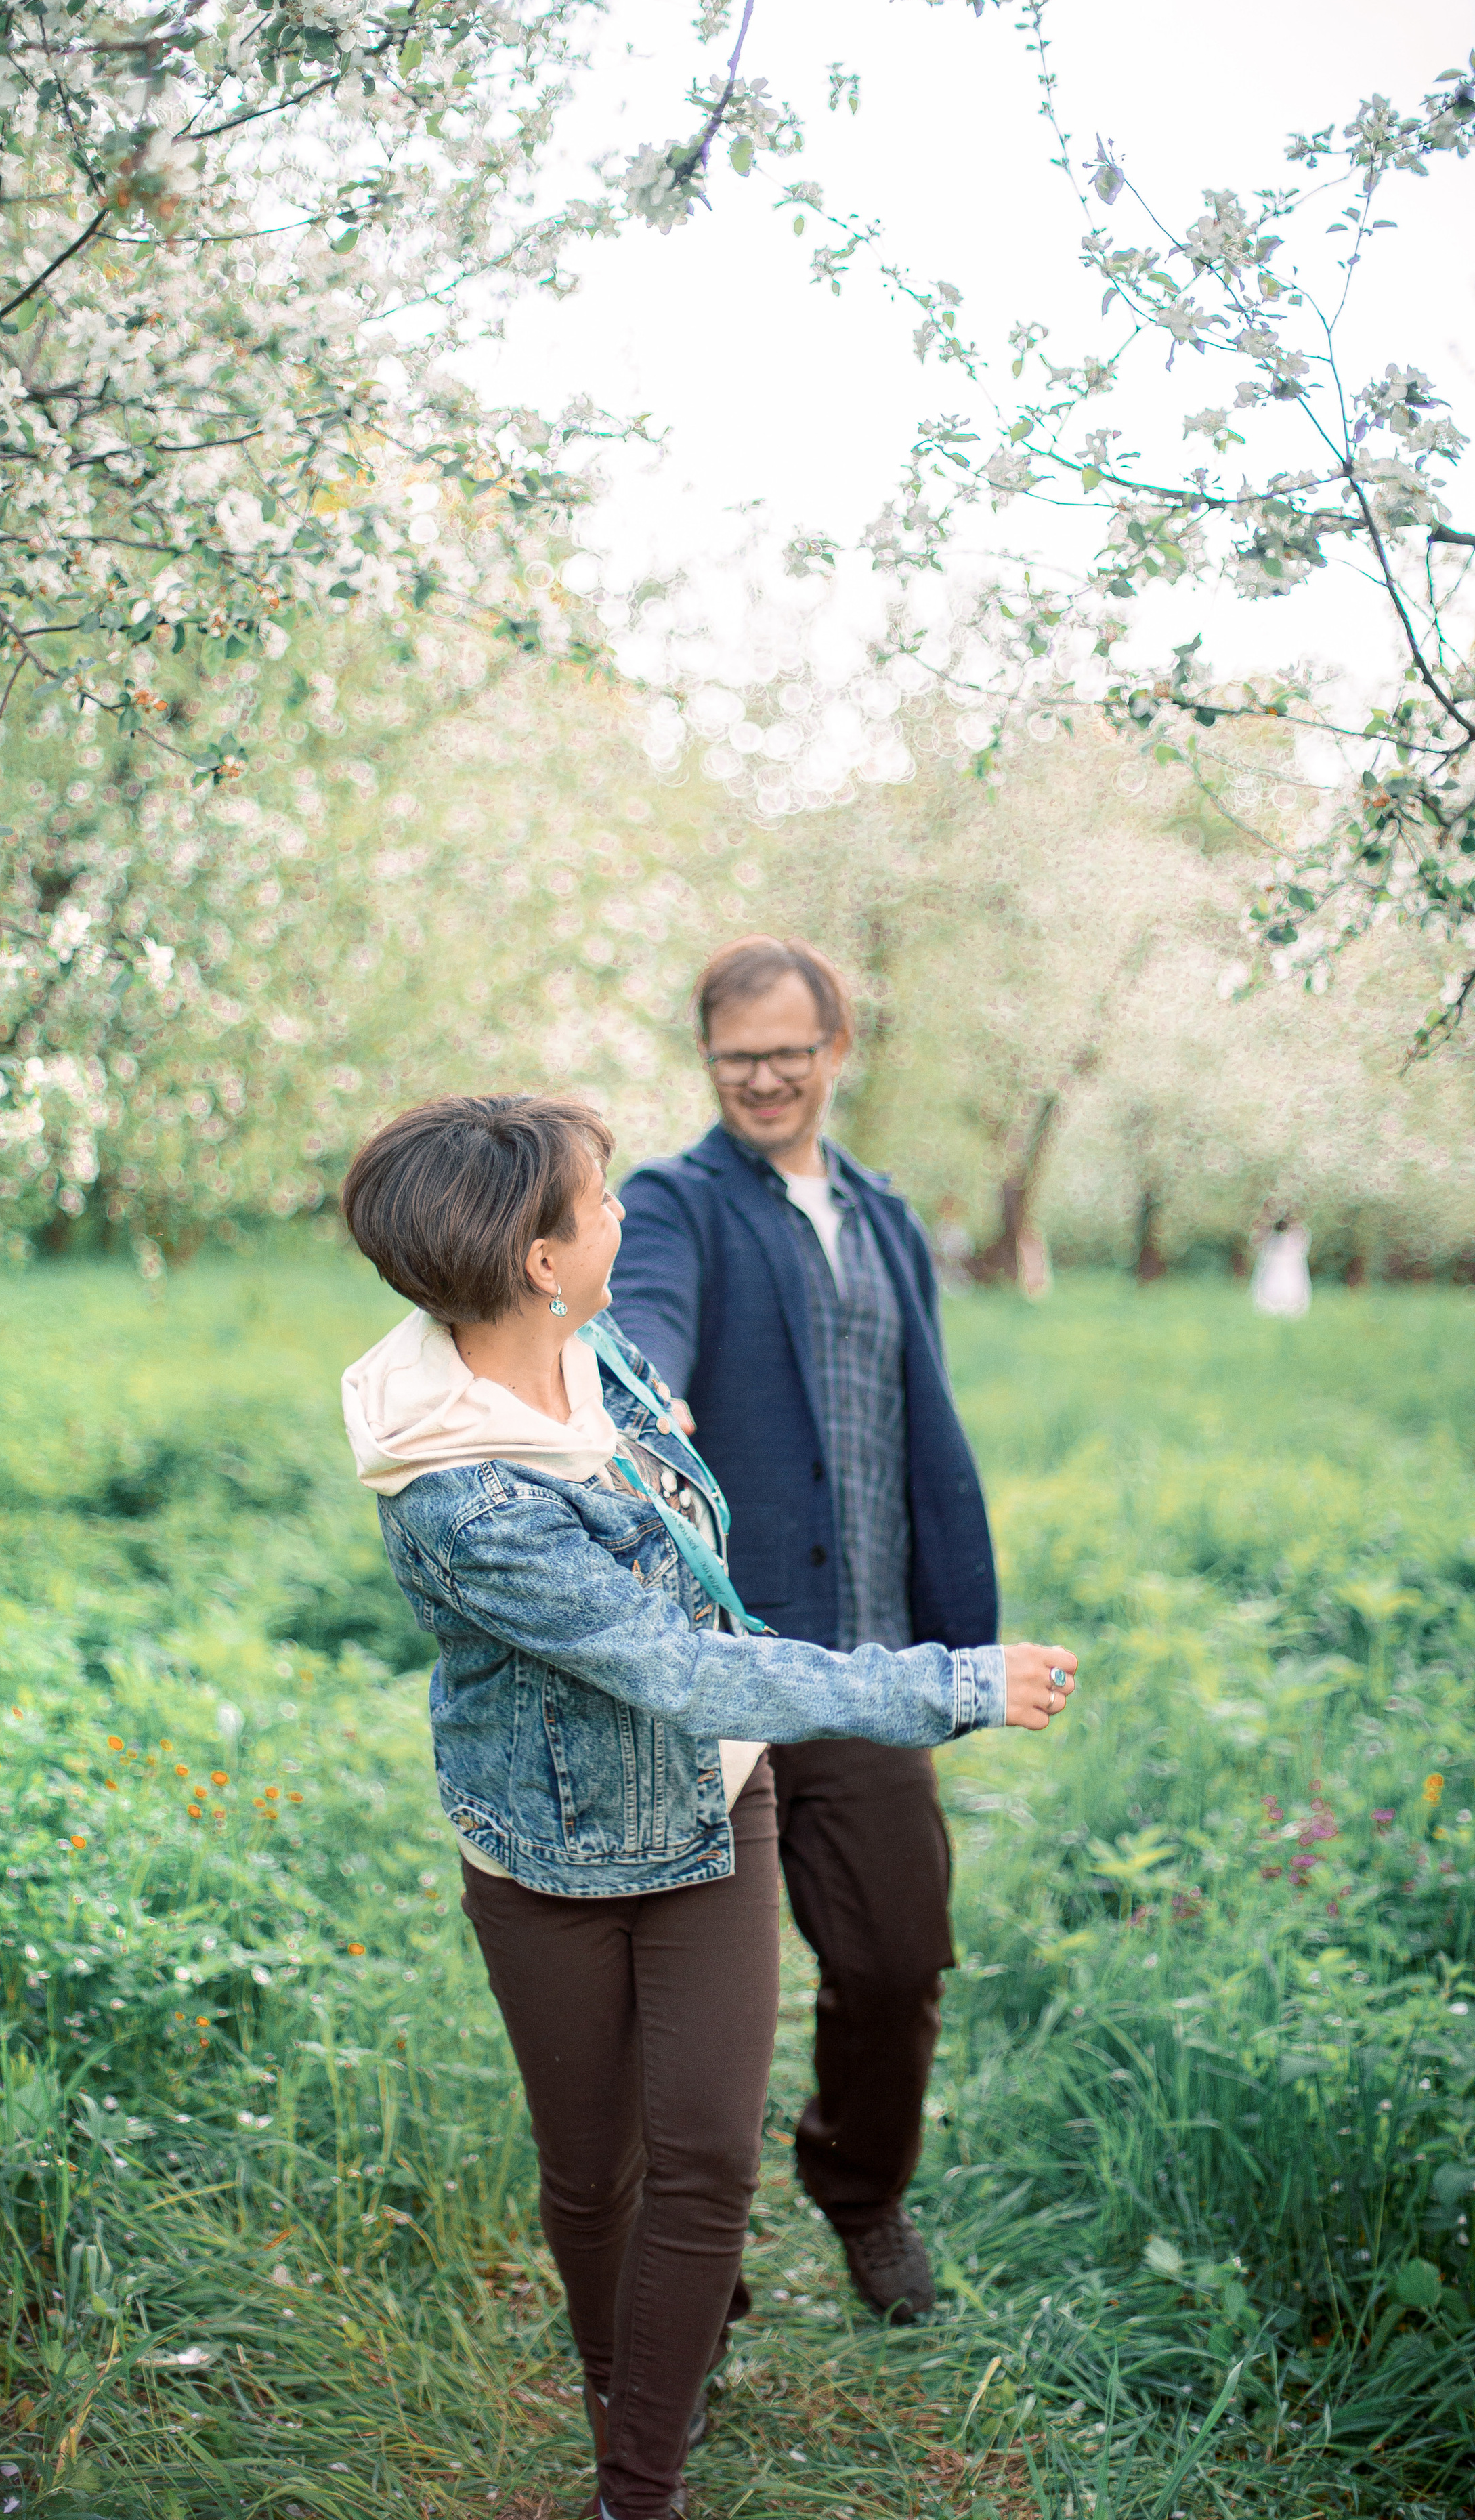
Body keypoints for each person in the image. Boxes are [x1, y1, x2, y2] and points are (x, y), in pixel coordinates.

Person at [338, 1094, 1078, 2520]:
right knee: (593, 2175)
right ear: (538, 1258)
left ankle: (639, 2484)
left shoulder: (592, 1347)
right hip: (551, 1855)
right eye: (597, 1202)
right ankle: (635, 2375)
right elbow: (678, 1665)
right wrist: (951, 1684)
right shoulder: (464, 1501)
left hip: (709, 1808)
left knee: (703, 2165)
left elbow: (693, 1612)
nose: (621, 1217)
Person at [611, 934, 997, 2325]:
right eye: (733, 1058)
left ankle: (861, 2193)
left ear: (837, 1049)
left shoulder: (883, 1213)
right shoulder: (671, 1201)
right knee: (694, 2004)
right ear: (706, 1061)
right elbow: (640, 1316)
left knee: (894, 1957)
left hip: (863, 1662)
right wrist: (640, 1397)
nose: (762, 1079)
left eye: (786, 1053)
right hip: (711, 1664)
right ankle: (687, 2284)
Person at [1252, 1214, 1312, 1319]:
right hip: (1279, 1268)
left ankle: (1286, 1306)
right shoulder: (1278, 1240)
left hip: (1284, 1268)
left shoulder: (1277, 1240)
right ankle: (1277, 1306)